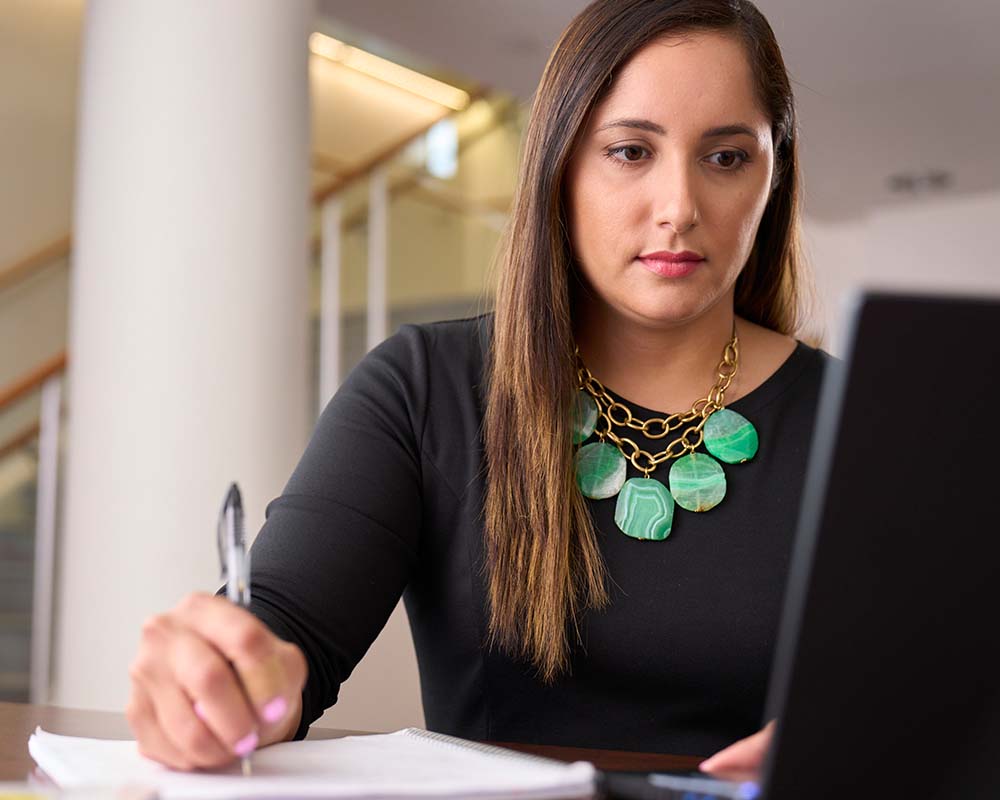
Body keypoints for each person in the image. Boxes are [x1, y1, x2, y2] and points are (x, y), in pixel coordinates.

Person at [126, 0, 831, 777]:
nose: (678, 209)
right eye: (631, 151)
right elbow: (287, 629)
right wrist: (225, 682)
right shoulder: (425, 388)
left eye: (726, 158)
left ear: (775, 175)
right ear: (559, 166)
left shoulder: (862, 419)